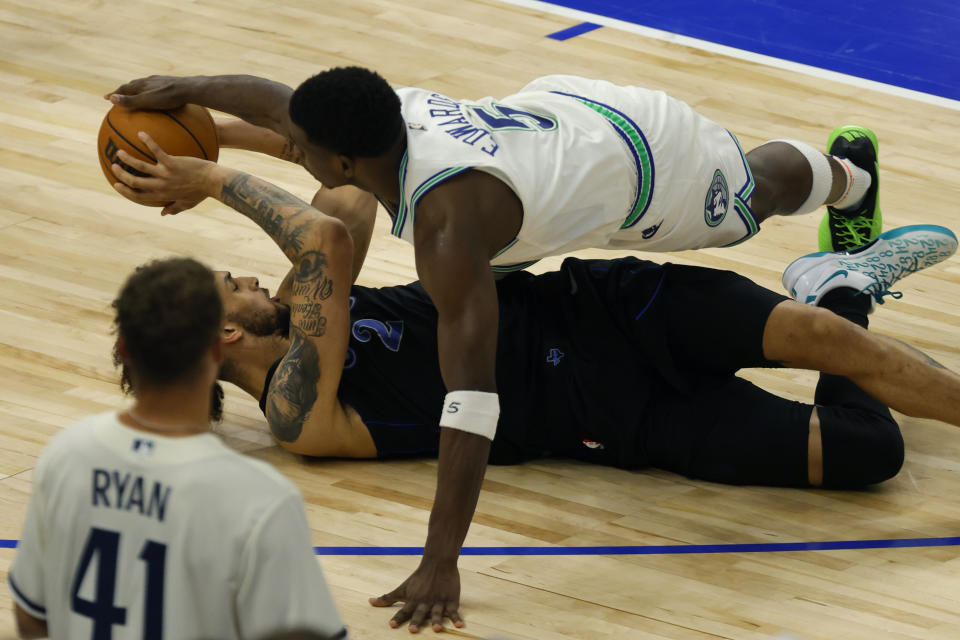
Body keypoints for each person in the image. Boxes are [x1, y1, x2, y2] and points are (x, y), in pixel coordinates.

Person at [107, 137, 960, 634]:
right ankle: (840, 278)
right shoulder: (302, 413)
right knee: (868, 451)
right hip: (612, 417)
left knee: (819, 345)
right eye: (230, 284)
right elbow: (327, 235)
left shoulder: (298, 302)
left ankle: (831, 302)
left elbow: (345, 192)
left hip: (600, 308)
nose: (248, 277)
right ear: (223, 336)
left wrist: (219, 137)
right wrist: (215, 184)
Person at [8, 258, 348, 639]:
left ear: (125, 350)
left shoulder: (67, 455)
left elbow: (30, 618)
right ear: (218, 350)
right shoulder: (259, 499)